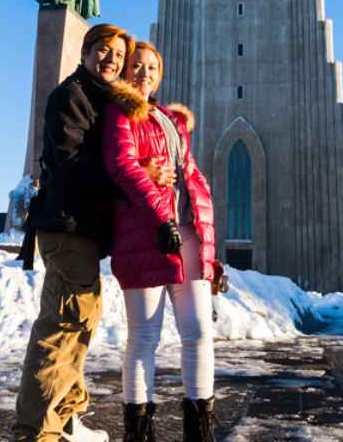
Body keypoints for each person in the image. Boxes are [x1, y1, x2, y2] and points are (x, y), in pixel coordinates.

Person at [14, 23, 135, 442]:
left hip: (81, 232)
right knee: (61, 329)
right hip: (66, 227)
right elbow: (71, 165)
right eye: (103, 51)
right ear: (85, 52)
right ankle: (36, 432)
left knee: (81, 323)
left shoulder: (102, 100)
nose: (111, 60)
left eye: (118, 55)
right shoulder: (71, 96)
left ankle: (64, 417)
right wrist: (125, 174)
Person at [103, 41, 220, 442]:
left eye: (152, 67)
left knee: (199, 331)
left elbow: (190, 174)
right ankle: (139, 435)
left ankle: (199, 432)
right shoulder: (120, 113)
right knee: (144, 338)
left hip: (186, 232)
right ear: (125, 71)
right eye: (136, 65)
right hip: (145, 234)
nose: (144, 73)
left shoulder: (171, 119)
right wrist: (158, 212)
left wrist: (207, 243)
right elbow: (122, 166)